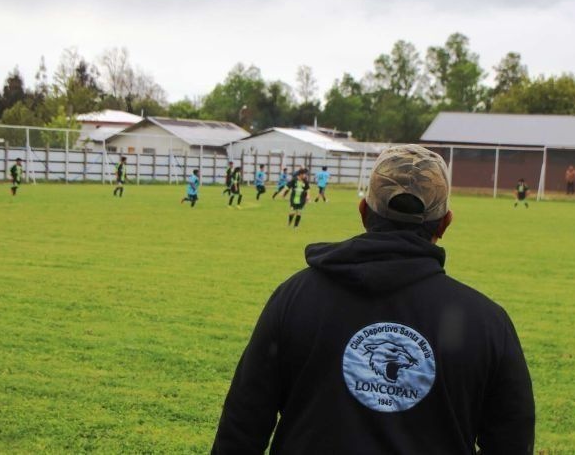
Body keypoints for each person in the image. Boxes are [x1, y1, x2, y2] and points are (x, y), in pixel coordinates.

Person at [212, 144, 535, 454]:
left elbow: (243, 424)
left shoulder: (294, 297)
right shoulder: (487, 322)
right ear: (446, 222)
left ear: (364, 211)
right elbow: (511, 441)